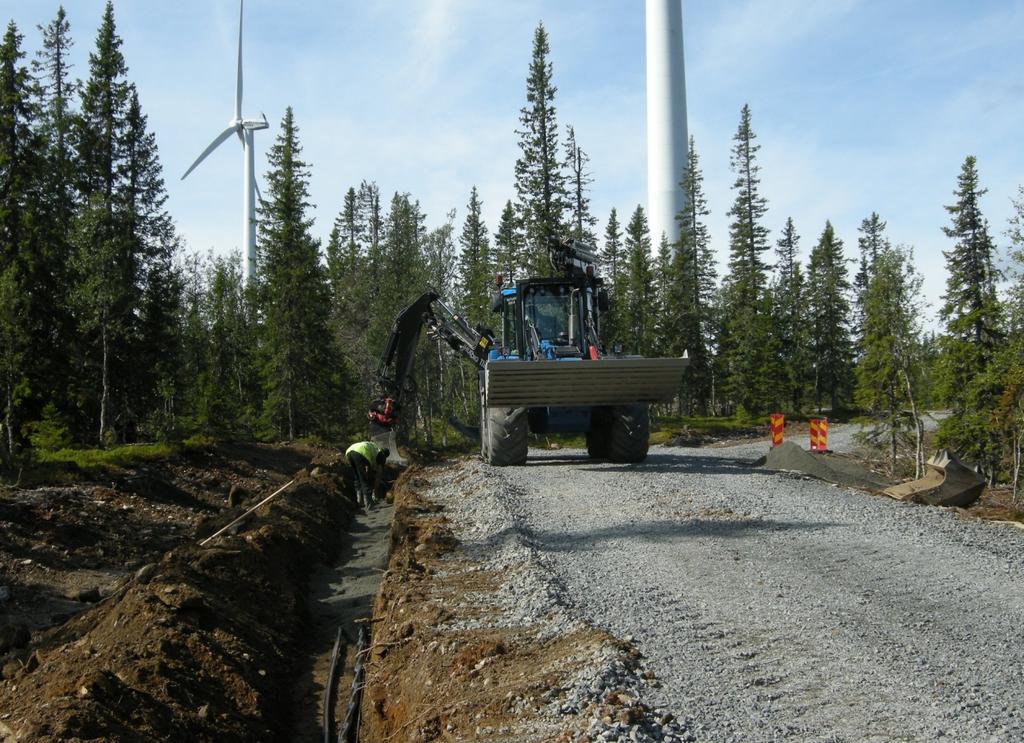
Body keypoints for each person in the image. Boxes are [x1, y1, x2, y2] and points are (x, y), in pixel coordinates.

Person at [345, 441, 390, 508]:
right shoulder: (382, 456)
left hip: (349, 452)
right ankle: (369, 504)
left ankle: (360, 501)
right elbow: (378, 475)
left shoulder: (375, 449)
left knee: (357, 477)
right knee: (365, 479)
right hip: (361, 452)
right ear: (386, 456)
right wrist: (375, 491)